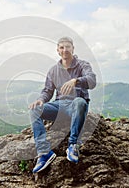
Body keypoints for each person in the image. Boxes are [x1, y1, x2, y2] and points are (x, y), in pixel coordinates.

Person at [28, 36, 96, 173]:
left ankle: (73, 145)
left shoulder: (83, 65)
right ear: (58, 51)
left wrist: (75, 81)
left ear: (73, 49)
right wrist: (41, 99)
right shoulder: (53, 70)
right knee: (35, 110)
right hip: (59, 106)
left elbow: (92, 81)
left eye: (68, 47)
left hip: (76, 105)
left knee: (79, 102)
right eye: (62, 47)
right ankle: (44, 152)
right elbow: (47, 91)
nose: (65, 50)